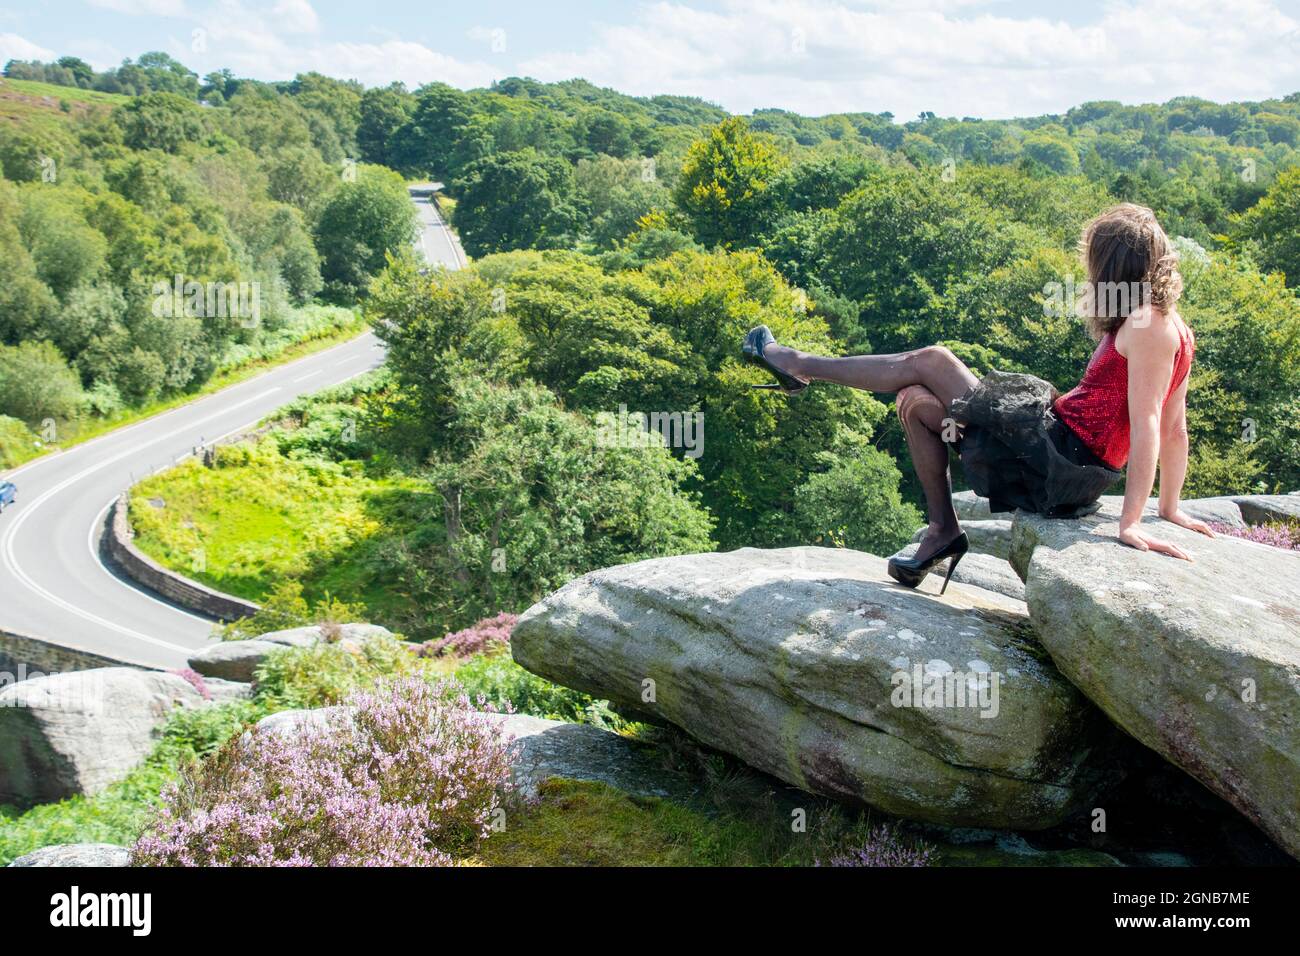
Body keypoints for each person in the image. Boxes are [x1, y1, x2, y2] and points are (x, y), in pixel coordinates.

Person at [742, 203, 1214, 592]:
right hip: (1062, 455)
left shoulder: (1149, 325)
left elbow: (1153, 423)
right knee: (915, 401)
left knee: (932, 360)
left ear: (1111, 267)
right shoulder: (1167, 325)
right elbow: (1177, 426)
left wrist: (1132, 521)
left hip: (1063, 458)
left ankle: (796, 364)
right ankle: (942, 532)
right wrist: (1169, 506)